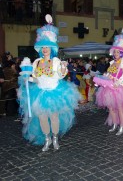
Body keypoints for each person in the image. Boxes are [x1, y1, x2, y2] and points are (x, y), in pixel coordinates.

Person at [18, 15, 82, 151]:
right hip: (40, 93)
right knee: (42, 118)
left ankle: (55, 138)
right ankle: (47, 139)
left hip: (54, 93)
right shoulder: (36, 62)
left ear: (52, 48)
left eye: (47, 46)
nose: (45, 49)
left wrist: (64, 68)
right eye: (43, 47)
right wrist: (27, 78)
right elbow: (35, 78)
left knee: (54, 117)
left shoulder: (56, 61)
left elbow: (60, 75)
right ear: (40, 48)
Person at [94, 26, 123, 136]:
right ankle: (115, 124)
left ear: (122, 53)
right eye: (114, 52)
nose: (115, 54)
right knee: (111, 108)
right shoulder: (111, 63)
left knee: (120, 108)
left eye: (117, 52)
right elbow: (109, 73)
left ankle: (121, 126)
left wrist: (117, 81)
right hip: (109, 88)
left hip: (120, 89)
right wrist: (106, 75)